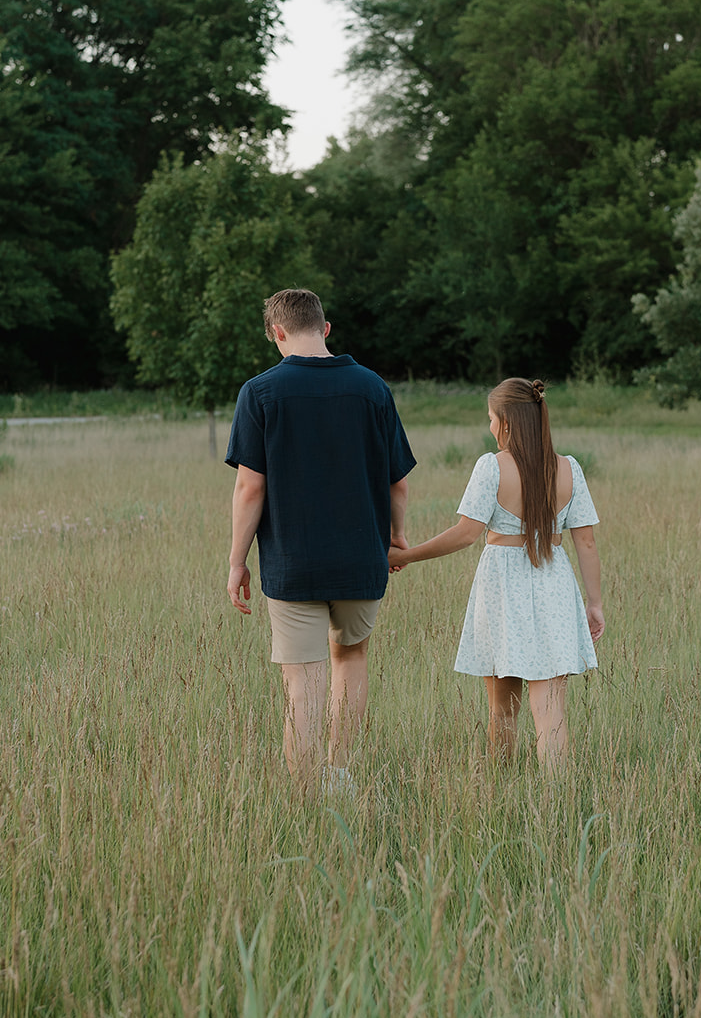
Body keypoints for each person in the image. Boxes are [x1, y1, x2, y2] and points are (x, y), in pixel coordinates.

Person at [225, 288, 416, 789]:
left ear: (277, 333)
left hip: (293, 564)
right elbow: (398, 480)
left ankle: (305, 787)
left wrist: (236, 561)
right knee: (350, 658)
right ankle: (340, 774)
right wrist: (395, 537)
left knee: (301, 678)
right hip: (361, 560)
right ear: (326, 329)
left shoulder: (259, 392)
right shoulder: (373, 388)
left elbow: (250, 488)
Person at [390, 377, 604, 766]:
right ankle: (560, 803)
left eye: (491, 418)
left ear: (506, 421)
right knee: (551, 711)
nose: (490, 426)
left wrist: (408, 554)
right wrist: (595, 604)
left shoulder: (491, 467)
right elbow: (585, 543)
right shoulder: (569, 469)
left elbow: (465, 534)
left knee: (502, 709)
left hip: (503, 589)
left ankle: (501, 785)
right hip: (554, 584)